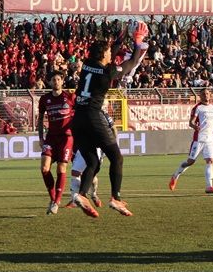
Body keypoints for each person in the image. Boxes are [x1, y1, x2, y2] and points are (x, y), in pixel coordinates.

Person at [70, 23, 149, 218]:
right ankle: (115, 198)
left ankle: (81, 195)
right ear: (103, 55)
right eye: (108, 52)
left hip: (77, 118)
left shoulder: (88, 63)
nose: (111, 54)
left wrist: (121, 38)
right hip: (93, 116)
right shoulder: (109, 72)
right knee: (116, 157)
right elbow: (132, 62)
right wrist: (137, 42)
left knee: (92, 162)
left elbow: (110, 52)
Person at [169, 88, 213, 194]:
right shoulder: (198, 108)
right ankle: (175, 175)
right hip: (199, 139)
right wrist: (195, 126)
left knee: (210, 161)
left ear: (210, 95)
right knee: (190, 162)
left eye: (207, 93)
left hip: (210, 139)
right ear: (200, 96)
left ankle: (209, 186)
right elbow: (191, 122)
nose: (206, 95)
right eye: (203, 94)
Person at [37, 72, 75, 215]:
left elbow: (78, 116)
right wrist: (41, 138)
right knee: (44, 168)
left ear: (62, 81)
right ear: (50, 82)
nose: (56, 82)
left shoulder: (70, 97)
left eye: (58, 79)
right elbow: (40, 119)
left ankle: (57, 201)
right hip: (51, 138)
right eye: (53, 80)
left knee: (61, 167)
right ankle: (53, 199)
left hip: (66, 138)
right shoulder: (44, 99)